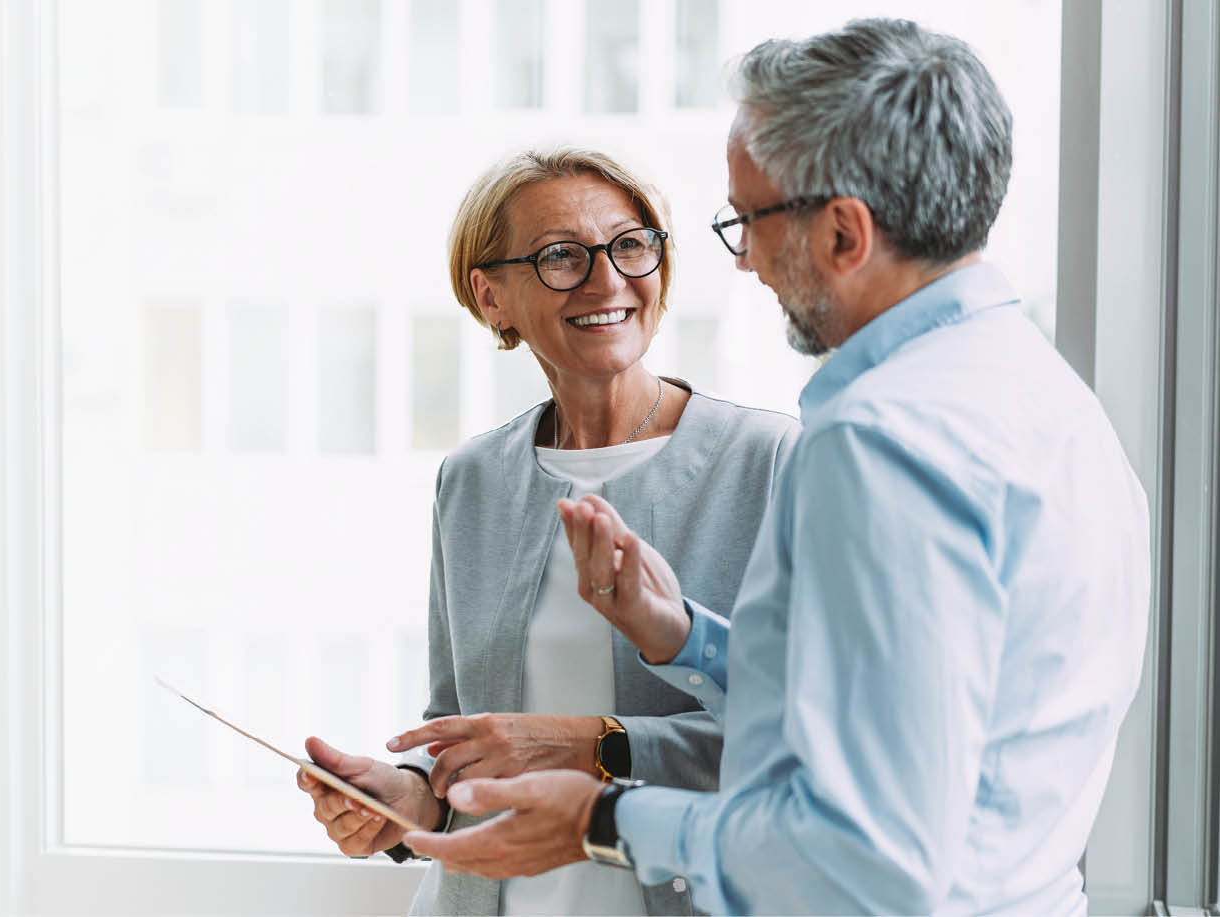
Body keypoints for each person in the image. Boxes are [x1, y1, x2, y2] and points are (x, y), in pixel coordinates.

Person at [401, 18, 1152, 916]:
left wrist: (603, 817)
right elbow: (884, 704)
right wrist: (682, 635)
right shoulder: (1041, 393)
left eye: (748, 219)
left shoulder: (881, 442)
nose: (746, 257)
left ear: (842, 232)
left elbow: (867, 857)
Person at [294, 148, 799, 915]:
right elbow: (460, 746)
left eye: (629, 244)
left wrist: (591, 742)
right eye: (561, 256)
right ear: (489, 294)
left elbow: (804, 744)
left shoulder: (771, 463)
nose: (606, 280)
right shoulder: (471, 479)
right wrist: (407, 802)